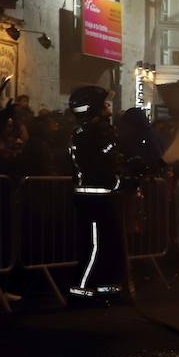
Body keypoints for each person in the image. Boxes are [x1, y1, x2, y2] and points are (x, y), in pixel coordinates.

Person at [67, 85, 129, 303]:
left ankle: (107, 289)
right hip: (93, 198)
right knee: (93, 246)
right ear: (93, 108)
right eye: (103, 104)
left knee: (109, 244)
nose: (108, 108)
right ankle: (81, 292)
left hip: (100, 196)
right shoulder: (89, 133)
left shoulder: (86, 131)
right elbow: (102, 161)